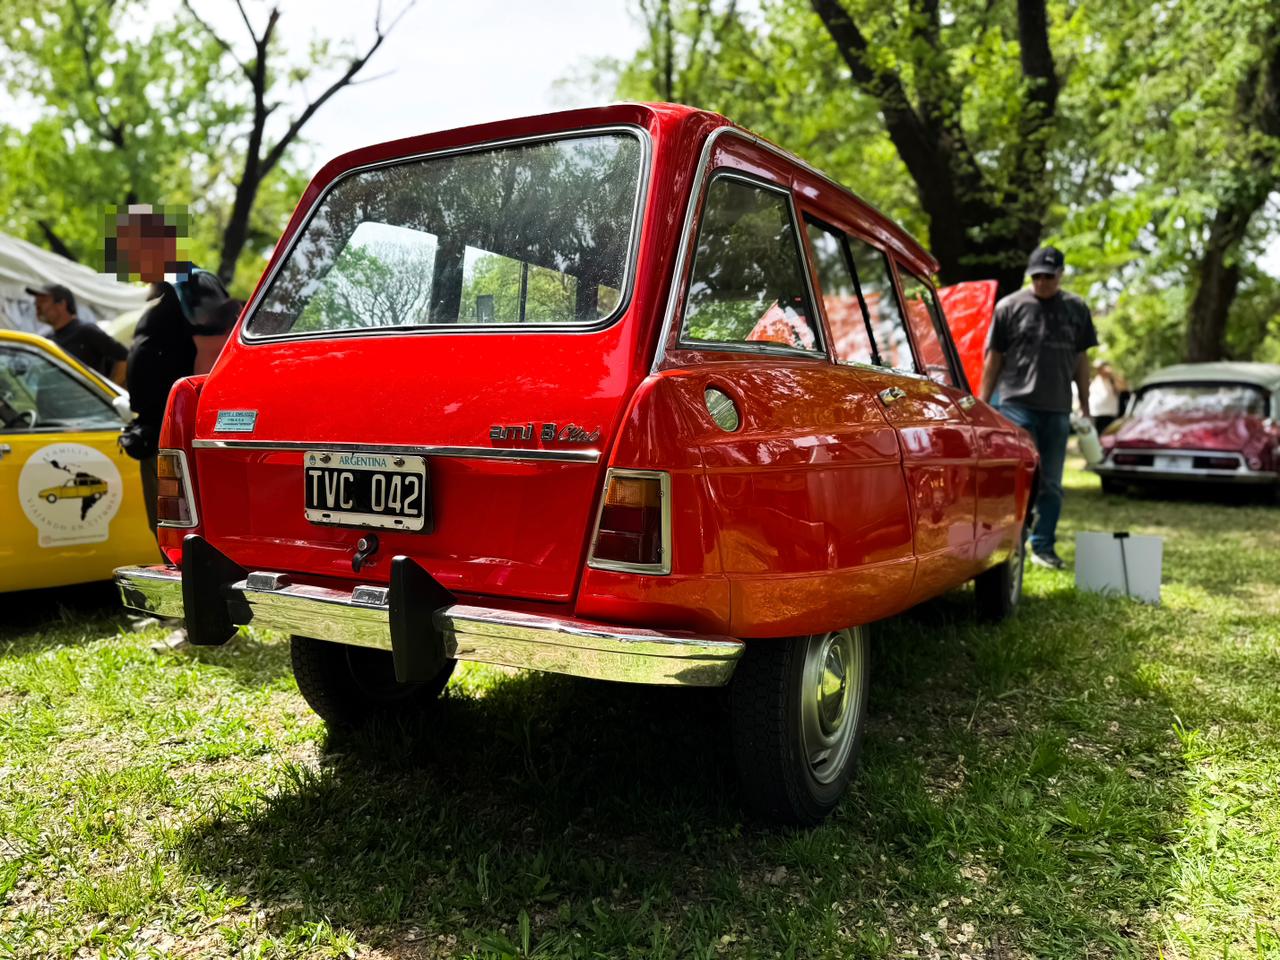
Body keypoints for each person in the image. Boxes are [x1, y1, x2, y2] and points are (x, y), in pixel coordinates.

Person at [979, 245, 1097, 570]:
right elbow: (994, 358)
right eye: (1037, 277)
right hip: (1016, 405)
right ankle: (1011, 541)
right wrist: (982, 405)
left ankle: (1043, 546)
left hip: (1057, 408)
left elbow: (1081, 360)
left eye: (1048, 276)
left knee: (1052, 484)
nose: (1042, 282)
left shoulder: (1077, 308)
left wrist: (1085, 405)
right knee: (1020, 477)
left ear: (1060, 274)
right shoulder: (1009, 307)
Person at [26, 282, 128, 385]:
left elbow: (124, 357)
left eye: (43, 301)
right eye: (36, 301)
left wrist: (112, 388)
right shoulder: (47, 339)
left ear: (62, 304)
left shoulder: (86, 331)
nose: (37, 305)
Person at [1088, 360, 1127, 435]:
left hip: (1109, 414)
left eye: (1101, 368)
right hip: (1096, 414)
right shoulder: (1095, 380)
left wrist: (1112, 374)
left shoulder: (1112, 380)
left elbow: (1124, 388)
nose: (1100, 370)